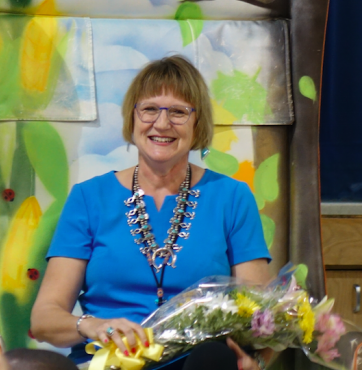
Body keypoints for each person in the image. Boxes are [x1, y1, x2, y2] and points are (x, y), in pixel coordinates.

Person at [30, 55, 273, 370]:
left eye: (178, 112)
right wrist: (91, 326)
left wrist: (256, 362)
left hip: (198, 364)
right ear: (132, 118)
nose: (161, 123)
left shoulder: (233, 197)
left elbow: (263, 318)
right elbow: (45, 318)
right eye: (149, 109)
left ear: (197, 123)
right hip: (109, 362)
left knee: (215, 360)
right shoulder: (89, 198)